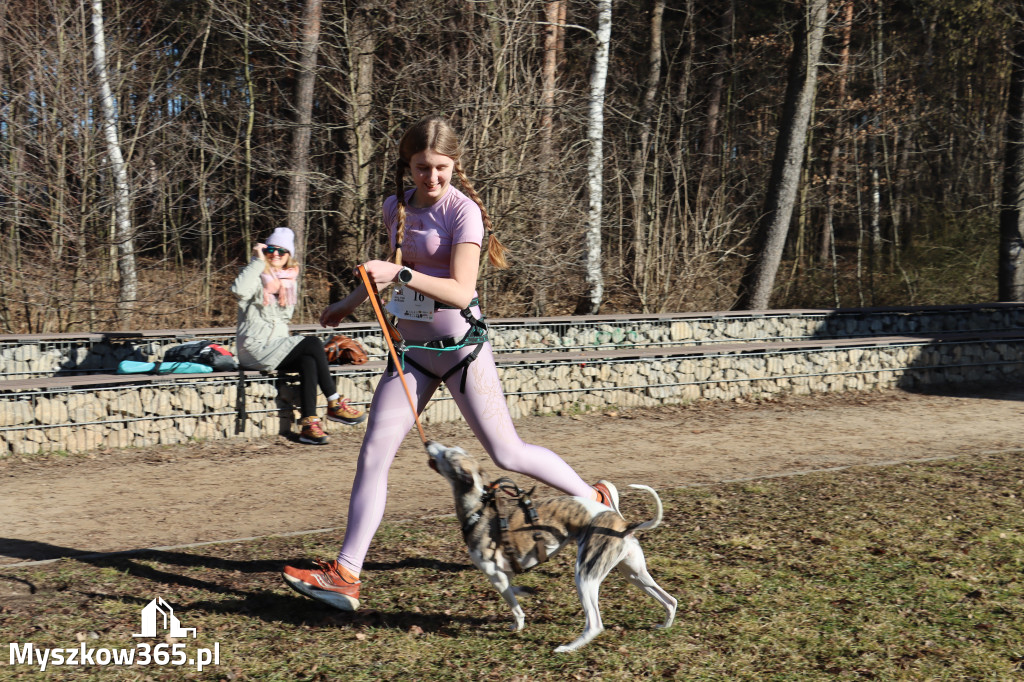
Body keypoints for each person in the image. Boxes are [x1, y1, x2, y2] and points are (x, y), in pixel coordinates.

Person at [281, 116, 618, 611]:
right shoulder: (395, 207)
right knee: (373, 454)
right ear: (408, 165)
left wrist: (399, 273)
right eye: (422, 167)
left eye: (441, 167)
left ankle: (597, 500)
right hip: (411, 353)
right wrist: (350, 303)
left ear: (454, 164)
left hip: (462, 351)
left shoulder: (464, 213)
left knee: (507, 452)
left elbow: (460, 291)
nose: (432, 177)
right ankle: (346, 574)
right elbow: (393, 269)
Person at [232, 227, 366, 445]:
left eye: (281, 251)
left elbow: (283, 320)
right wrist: (257, 261)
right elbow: (239, 290)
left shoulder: (288, 281)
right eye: (271, 249)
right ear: (264, 250)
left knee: (308, 360)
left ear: (289, 256)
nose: (275, 254)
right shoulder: (254, 274)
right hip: (254, 349)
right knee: (312, 342)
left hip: (275, 347)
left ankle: (309, 426)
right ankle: (334, 402)